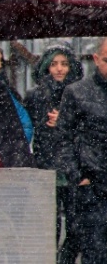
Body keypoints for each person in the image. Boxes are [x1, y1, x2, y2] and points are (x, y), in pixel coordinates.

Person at [24, 44, 83, 263]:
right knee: (49, 225)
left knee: (76, 226)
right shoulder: (35, 95)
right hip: (45, 166)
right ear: (46, 66)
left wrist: (64, 123)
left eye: (64, 64)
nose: (59, 69)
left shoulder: (80, 95)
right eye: (54, 64)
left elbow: (88, 130)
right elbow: (28, 129)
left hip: (73, 169)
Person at [56, 38, 107, 264]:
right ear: (96, 60)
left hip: (92, 181)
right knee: (94, 252)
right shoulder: (77, 92)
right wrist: (78, 176)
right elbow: (62, 137)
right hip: (92, 187)